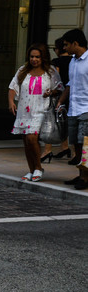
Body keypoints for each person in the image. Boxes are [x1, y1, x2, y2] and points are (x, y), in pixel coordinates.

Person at [8, 42, 63, 182]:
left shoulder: (50, 72)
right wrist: (11, 102)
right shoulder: (22, 70)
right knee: (26, 141)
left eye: (37, 57)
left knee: (32, 138)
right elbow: (12, 87)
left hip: (41, 110)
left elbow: (60, 87)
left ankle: (38, 167)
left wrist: (52, 92)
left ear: (43, 57)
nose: (34, 59)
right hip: (24, 110)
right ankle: (31, 170)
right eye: (32, 56)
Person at [57, 29, 88, 189]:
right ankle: (81, 174)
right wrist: (61, 100)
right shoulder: (73, 62)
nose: (65, 48)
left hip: (86, 109)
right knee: (76, 143)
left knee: (85, 145)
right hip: (73, 108)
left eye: (67, 45)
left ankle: (84, 177)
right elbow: (70, 84)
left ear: (76, 43)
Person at [41, 37, 72, 161]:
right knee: (67, 122)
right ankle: (68, 149)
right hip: (71, 94)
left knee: (53, 122)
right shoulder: (74, 61)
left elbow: (55, 80)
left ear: (58, 49)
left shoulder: (56, 62)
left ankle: (47, 150)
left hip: (59, 94)